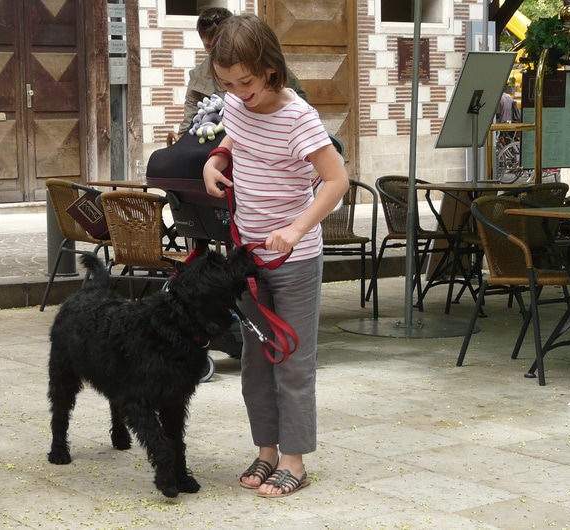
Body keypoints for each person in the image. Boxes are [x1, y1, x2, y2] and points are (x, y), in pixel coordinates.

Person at [202, 14, 349, 498]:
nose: (240, 91)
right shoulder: (234, 102)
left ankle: (294, 461)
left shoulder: (298, 116)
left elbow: (337, 181)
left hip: (295, 259)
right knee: (255, 361)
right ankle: (266, 451)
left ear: (269, 68)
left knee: (292, 360)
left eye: (247, 81)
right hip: (248, 256)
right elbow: (235, 135)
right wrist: (215, 159)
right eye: (228, 83)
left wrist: (296, 227)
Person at [178, 8, 307, 134]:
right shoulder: (198, 78)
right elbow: (188, 127)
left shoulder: (297, 111)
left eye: (246, 82)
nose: (238, 93)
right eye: (227, 84)